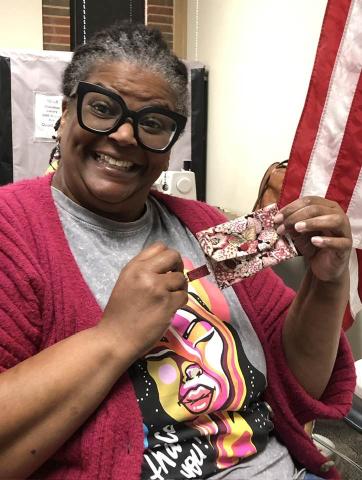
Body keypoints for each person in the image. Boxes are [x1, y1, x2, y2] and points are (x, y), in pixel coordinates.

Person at [0, 22, 356, 480]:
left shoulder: (206, 226)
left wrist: (326, 283)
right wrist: (115, 336)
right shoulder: (13, 232)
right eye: (103, 108)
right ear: (65, 113)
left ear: (170, 145)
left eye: (153, 123)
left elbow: (297, 383)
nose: (126, 136)